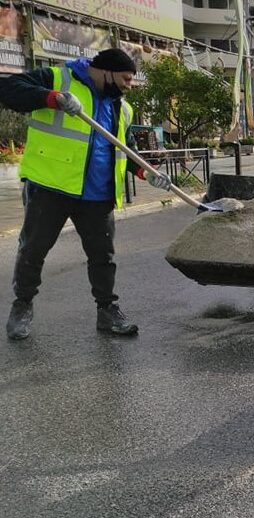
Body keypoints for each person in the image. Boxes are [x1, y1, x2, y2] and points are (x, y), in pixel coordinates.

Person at [0, 48, 172, 340]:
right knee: (33, 250)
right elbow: (6, 89)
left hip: (98, 193)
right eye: (126, 78)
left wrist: (146, 173)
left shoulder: (122, 107)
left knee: (103, 256)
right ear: (106, 71)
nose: (130, 85)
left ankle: (108, 311)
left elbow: (124, 149)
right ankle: (22, 306)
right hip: (52, 186)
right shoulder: (57, 78)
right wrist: (52, 98)